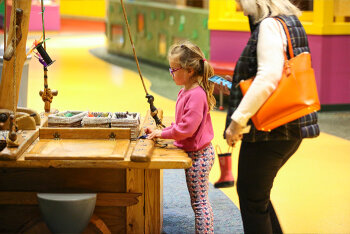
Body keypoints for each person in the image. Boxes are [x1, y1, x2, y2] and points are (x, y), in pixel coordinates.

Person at [224, 0, 320, 233]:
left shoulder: (269, 25)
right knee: (257, 197)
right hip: (290, 125)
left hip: (272, 128)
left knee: (252, 198)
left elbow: (268, 77)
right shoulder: (290, 21)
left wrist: (237, 122)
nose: (238, 6)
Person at [147, 41, 216, 233]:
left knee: (200, 203)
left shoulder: (195, 95)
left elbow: (187, 129)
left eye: (174, 69)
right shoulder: (185, 91)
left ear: (190, 70)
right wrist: (164, 130)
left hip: (200, 156)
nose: (171, 73)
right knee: (198, 202)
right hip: (195, 152)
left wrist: (162, 133)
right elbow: (181, 124)